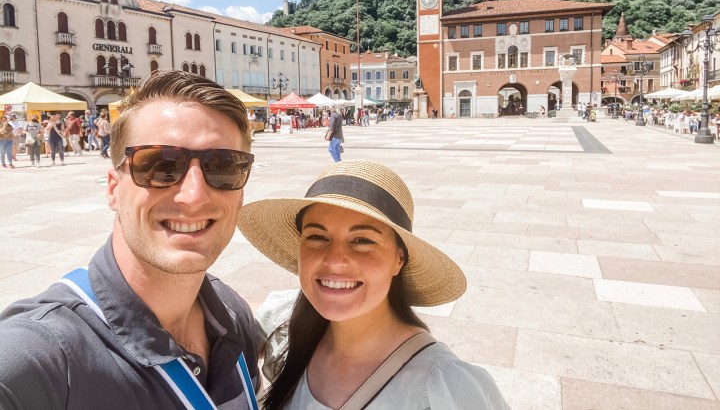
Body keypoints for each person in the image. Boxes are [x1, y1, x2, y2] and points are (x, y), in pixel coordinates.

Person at [0, 71, 260, 408]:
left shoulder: (232, 314)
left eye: (224, 167)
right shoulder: (39, 360)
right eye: (161, 165)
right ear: (113, 188)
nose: (193, 196)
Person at [237, 160, 509, 410]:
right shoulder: (286, 325)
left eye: (363, 241)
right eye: (317, 237)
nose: (335, 261)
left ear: (399, 259)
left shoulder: (447, 389)